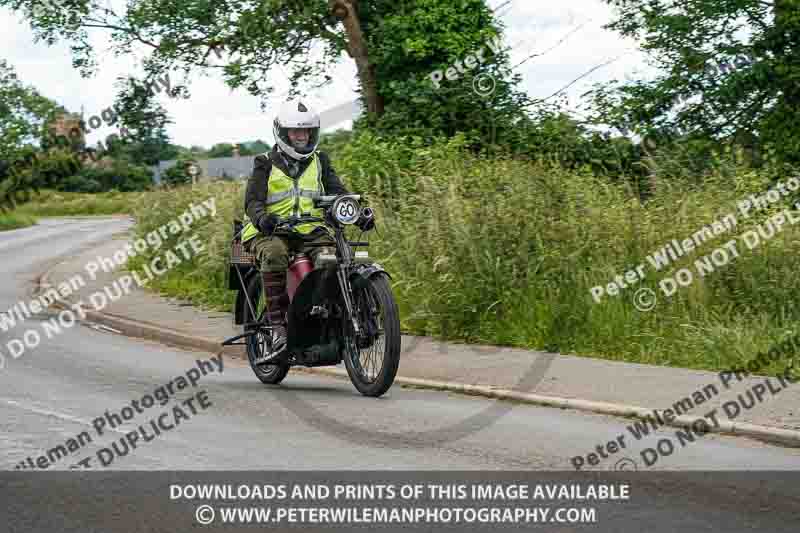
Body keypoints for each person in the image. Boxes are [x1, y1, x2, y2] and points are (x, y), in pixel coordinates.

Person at [240, 100, 373, 353]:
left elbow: (337, 192)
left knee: (330, 258)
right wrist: (263, 218)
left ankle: (319, 312)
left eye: (307, 131)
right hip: (271, 231)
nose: (302, 137)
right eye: (296, 131)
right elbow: (252, 201)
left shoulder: (320, 160)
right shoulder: (264, 162)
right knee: (275, 254)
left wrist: (357, 213)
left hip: (311, 231)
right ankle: (279, 327)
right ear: (283, 133)